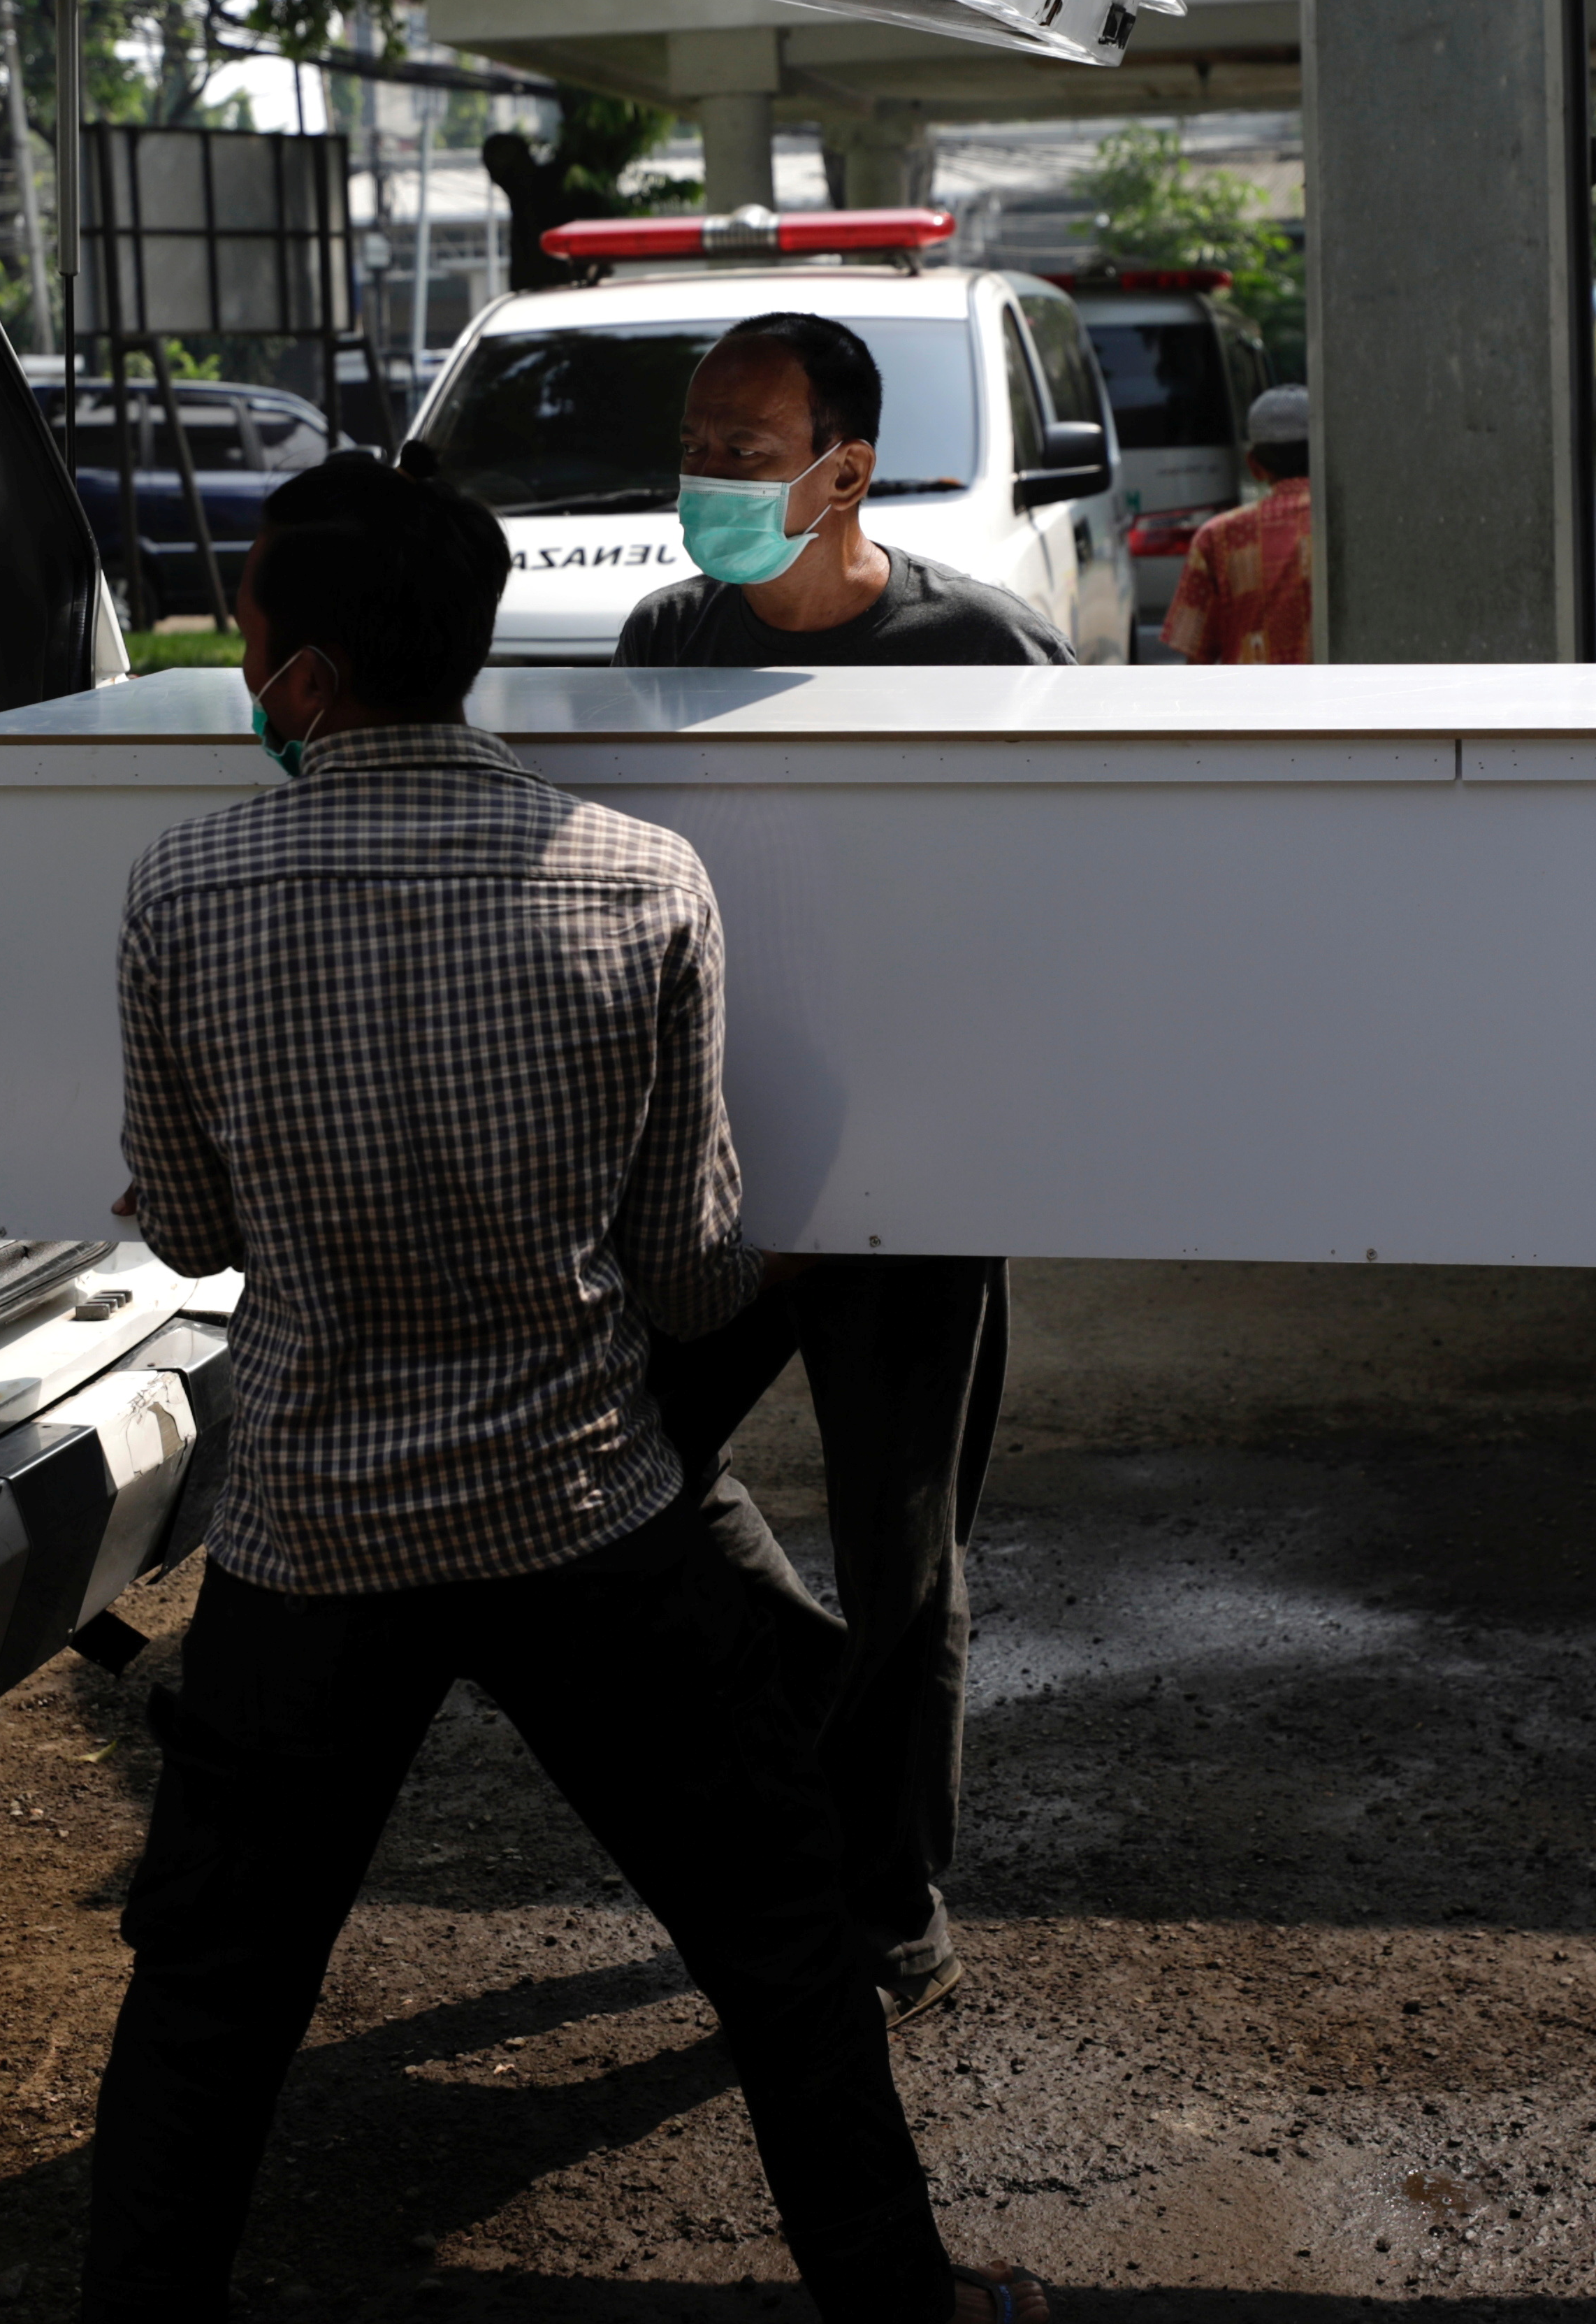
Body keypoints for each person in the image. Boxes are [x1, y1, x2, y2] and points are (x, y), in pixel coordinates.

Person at [83, 452, 1044, 2324]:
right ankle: (900, 2308)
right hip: (581, 1515)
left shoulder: (181, 887)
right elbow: (689, 1280)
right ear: (462, 648)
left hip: (311, 1533)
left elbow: (193, 1242)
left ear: (297, 669)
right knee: (777, 1933)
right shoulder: (638, 880)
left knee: (210, 1994)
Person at [615, 311, 1061, 2028]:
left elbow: (1055, 928)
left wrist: (951, 1145)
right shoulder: (672, 632)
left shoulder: (982, 651)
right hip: (723, 1177)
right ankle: (820, 1713)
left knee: (903, 1548)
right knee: (630, 1461)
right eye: (697, 444)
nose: (708, 478)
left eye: (745, 448)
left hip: (915, 1186)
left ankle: (887, 1892)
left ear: (845, 468)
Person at [1162, 381, 1310, 663]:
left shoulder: (1217, 537)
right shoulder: (1356, 527)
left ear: (1254, 466)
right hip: (1345, 704)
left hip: (1249, 704)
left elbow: (1196, 657)